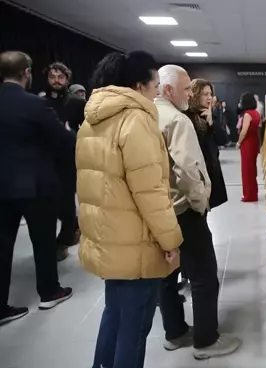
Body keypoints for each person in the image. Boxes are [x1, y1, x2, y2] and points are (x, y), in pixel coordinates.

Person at [75, 51, 183, 368]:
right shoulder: (136, 120)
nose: (156, 93)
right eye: (154, 86)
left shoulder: (93, 118)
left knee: (115, 316)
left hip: (109, 240)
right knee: (134, 330)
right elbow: (150, 191)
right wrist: (170, 241)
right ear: (138, 85)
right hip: (135, 244)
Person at [155, 65, 240, 360]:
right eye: (188, 89)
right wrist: (200, 203)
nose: (192, 95)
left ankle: (175, 332)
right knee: (204, 276)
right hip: (183, 210)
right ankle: (206, 341)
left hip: (159, 210)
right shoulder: (177, 120)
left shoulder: (147, 115)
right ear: (168, 90)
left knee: (167, 274)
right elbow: (189, 170)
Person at [0, 51, 75, 326]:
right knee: (43, 241)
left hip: (2, 187)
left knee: (2, 246)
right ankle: (49, 292)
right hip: (37, 185)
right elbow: (63, 141)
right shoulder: (35, 105)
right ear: (27, 73)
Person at [42, 62, 85, 261]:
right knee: (49, 206)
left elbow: (86, 129)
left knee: (67, 205)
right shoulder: (39, 102)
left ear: (67, 79)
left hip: (68, 160)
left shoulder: (76, 103)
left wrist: (72, 135)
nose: (56, 81)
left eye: (60, 77)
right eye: (52, 77)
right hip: (44, 160)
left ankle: (65, 237)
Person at [186, 79, 228, 209]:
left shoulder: (208, 114)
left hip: (210, 169)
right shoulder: (187, 116)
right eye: (205, 94)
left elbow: (223, 140)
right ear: (196, 94)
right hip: (196, 173)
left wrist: (211, 123)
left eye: (210, 94)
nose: (209, 97)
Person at [236, 92, 261, 202]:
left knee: (246, 170)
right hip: (255, 141)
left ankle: (249, 195)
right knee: (252, 168)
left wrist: (238, 142)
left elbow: (244, 131)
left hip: (247, 143)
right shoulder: (256, 113)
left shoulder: (247, 114)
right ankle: (253, 193)